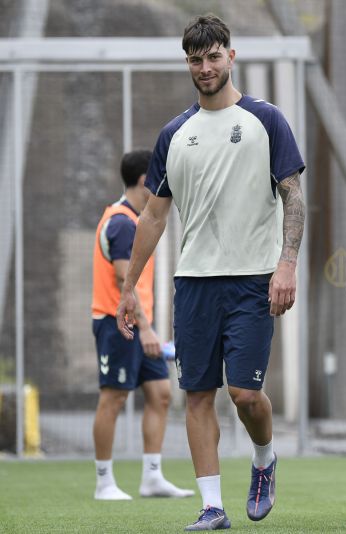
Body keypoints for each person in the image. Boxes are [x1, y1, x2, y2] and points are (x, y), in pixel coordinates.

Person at [115, 14, 305, 532]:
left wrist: (287, 264)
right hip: (194, 283)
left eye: (213, 56)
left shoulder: (267, 120)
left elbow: (293, 196)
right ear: (188, 64)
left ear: (231, 57)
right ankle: (211, 507)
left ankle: (264, 458)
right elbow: (153, 215)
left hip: (253, 280)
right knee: (197, 394)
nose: (205, 67)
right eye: (196, 59)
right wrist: (130, 287)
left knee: (244, 394)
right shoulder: (175, 134)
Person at [91, 149, 194, 501]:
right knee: (114, 397)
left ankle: (152, 477)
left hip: (139, 325)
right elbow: (125, 281)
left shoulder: (137, 220)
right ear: (142, 181)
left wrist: (147, 328)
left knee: (161, 394)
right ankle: (104, 481)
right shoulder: (121, 222)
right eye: (156, 177)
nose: (161, 184)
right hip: (115, 323)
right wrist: (147, 328)